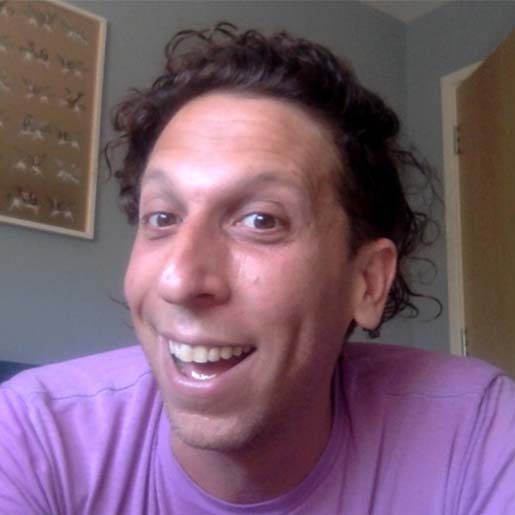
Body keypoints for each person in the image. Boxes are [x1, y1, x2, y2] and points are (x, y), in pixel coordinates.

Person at [1, 23, 514, 514]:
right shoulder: (30, 437)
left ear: (368, 281)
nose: (179, 281)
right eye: (162, 217)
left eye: (260, 220)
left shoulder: (477, 433)